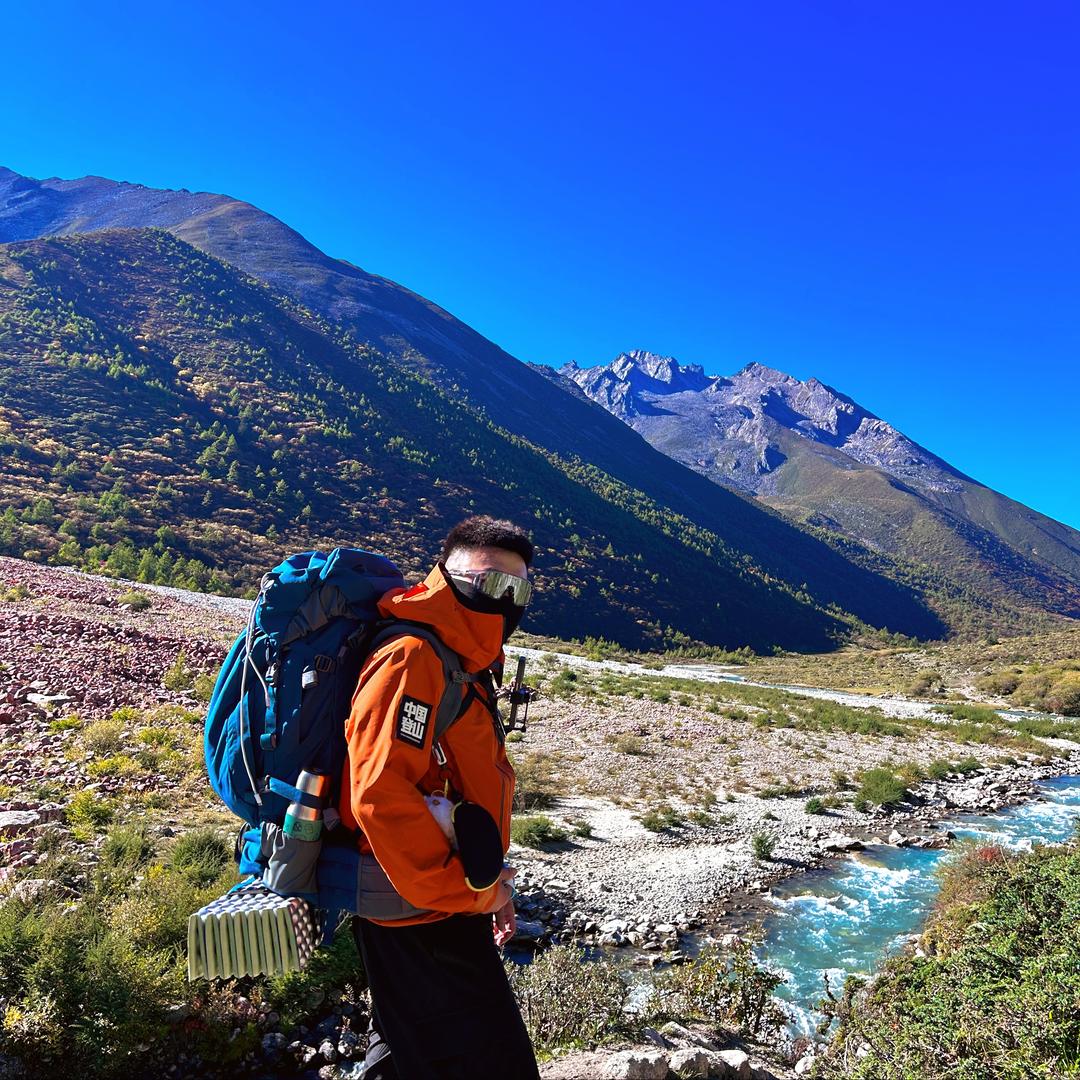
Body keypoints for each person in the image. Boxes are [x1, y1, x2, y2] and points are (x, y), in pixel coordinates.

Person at [340, 515, 541, 1079]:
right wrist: (468, 894)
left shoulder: (465, 659)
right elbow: (379, 794)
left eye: (519, 590)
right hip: (419, 907)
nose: (507, 601)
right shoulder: (414, 657)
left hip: (437, 894)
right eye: (492, 585)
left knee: (404, 1051)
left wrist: (490, 888)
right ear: (450, 577)